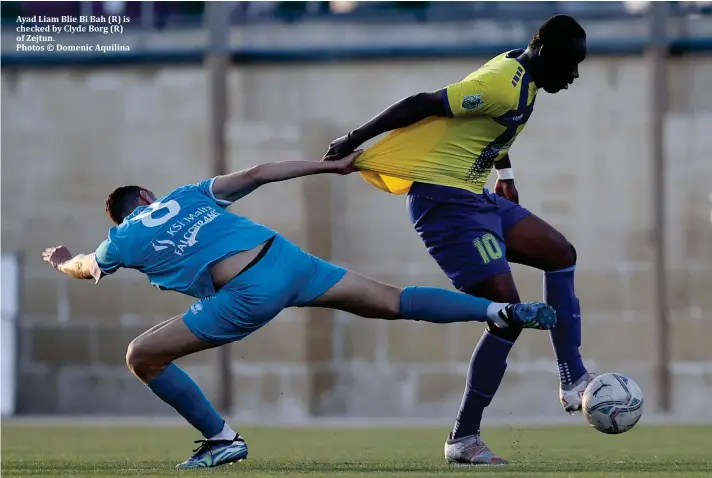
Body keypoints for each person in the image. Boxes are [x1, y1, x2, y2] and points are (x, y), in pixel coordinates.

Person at [42, 151, 556, 469]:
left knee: (142, 356)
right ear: (148, 196)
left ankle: (221, 440)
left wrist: (64, 260)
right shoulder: (185, 197)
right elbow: (260, 173)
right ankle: (494, 312)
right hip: (287, 257)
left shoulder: (121, 239)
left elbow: (87, 267)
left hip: (248, 290)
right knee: (392, 301)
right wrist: (329, 166)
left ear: (120, 215)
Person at [322, 15, 594, 465]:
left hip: (476, 197)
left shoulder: (521, 75)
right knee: (507, 315)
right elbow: (422, 103)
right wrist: (354, 139)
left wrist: (504, 174)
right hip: (445, 207)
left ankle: (572, 379)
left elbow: (491, 128)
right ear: (546, 55)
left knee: (560, 254)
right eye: (571, 65)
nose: (575, 75)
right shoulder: (503, 83)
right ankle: (463, 439)